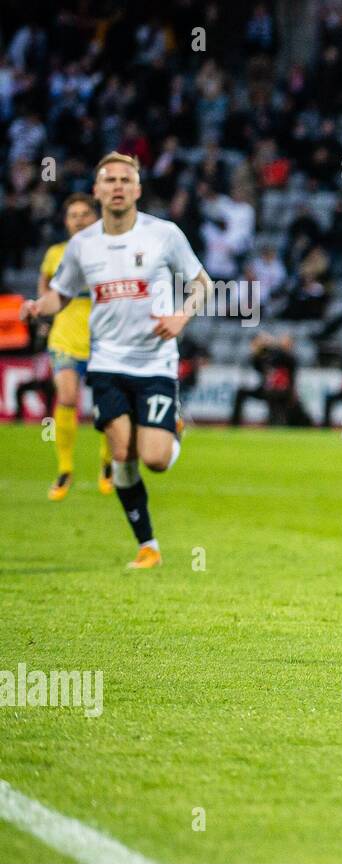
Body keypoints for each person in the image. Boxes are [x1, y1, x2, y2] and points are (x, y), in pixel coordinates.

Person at [19, 153, 213, 569]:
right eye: (110, 180)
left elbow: (203, 284)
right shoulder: (82, 245)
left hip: (155, 362)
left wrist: (182, 315)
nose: (118, 186)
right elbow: (63, 294)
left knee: (156, 460)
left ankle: (173, 428)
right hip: (106, 362)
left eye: (127, 179)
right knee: (122, 452)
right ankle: (148, 547)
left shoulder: (164, 234)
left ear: (138, 189)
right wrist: (40, 306)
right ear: (97, 190)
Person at [35, 193, 113, 500]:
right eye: (73, 215)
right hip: (65, 338)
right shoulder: (56, 253)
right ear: (66, 222)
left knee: (108, 408)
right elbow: (45, 287)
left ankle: (107, 464)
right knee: (67, 397)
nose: (79, 220)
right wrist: (43, 310)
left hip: (103, 339)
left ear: (95, 218)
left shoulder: (110, 251)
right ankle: (65, 469)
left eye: (84, 214)